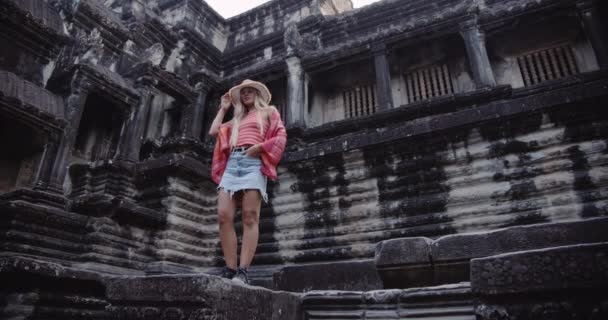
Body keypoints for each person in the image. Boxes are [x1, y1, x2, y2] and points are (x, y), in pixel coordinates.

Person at [209, 79, 287, 285]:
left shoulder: (269, 112)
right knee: (224, 216)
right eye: (243, 92)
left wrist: (260, 148)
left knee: (250, 216)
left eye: (250, 91)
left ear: (258, 94)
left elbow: (281, 137)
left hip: (253, 163)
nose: (246, 94)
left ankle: (242, 271)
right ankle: (230, 268)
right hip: (233, 163)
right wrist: (223, 108)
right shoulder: (236, 119)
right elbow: (213, 132)